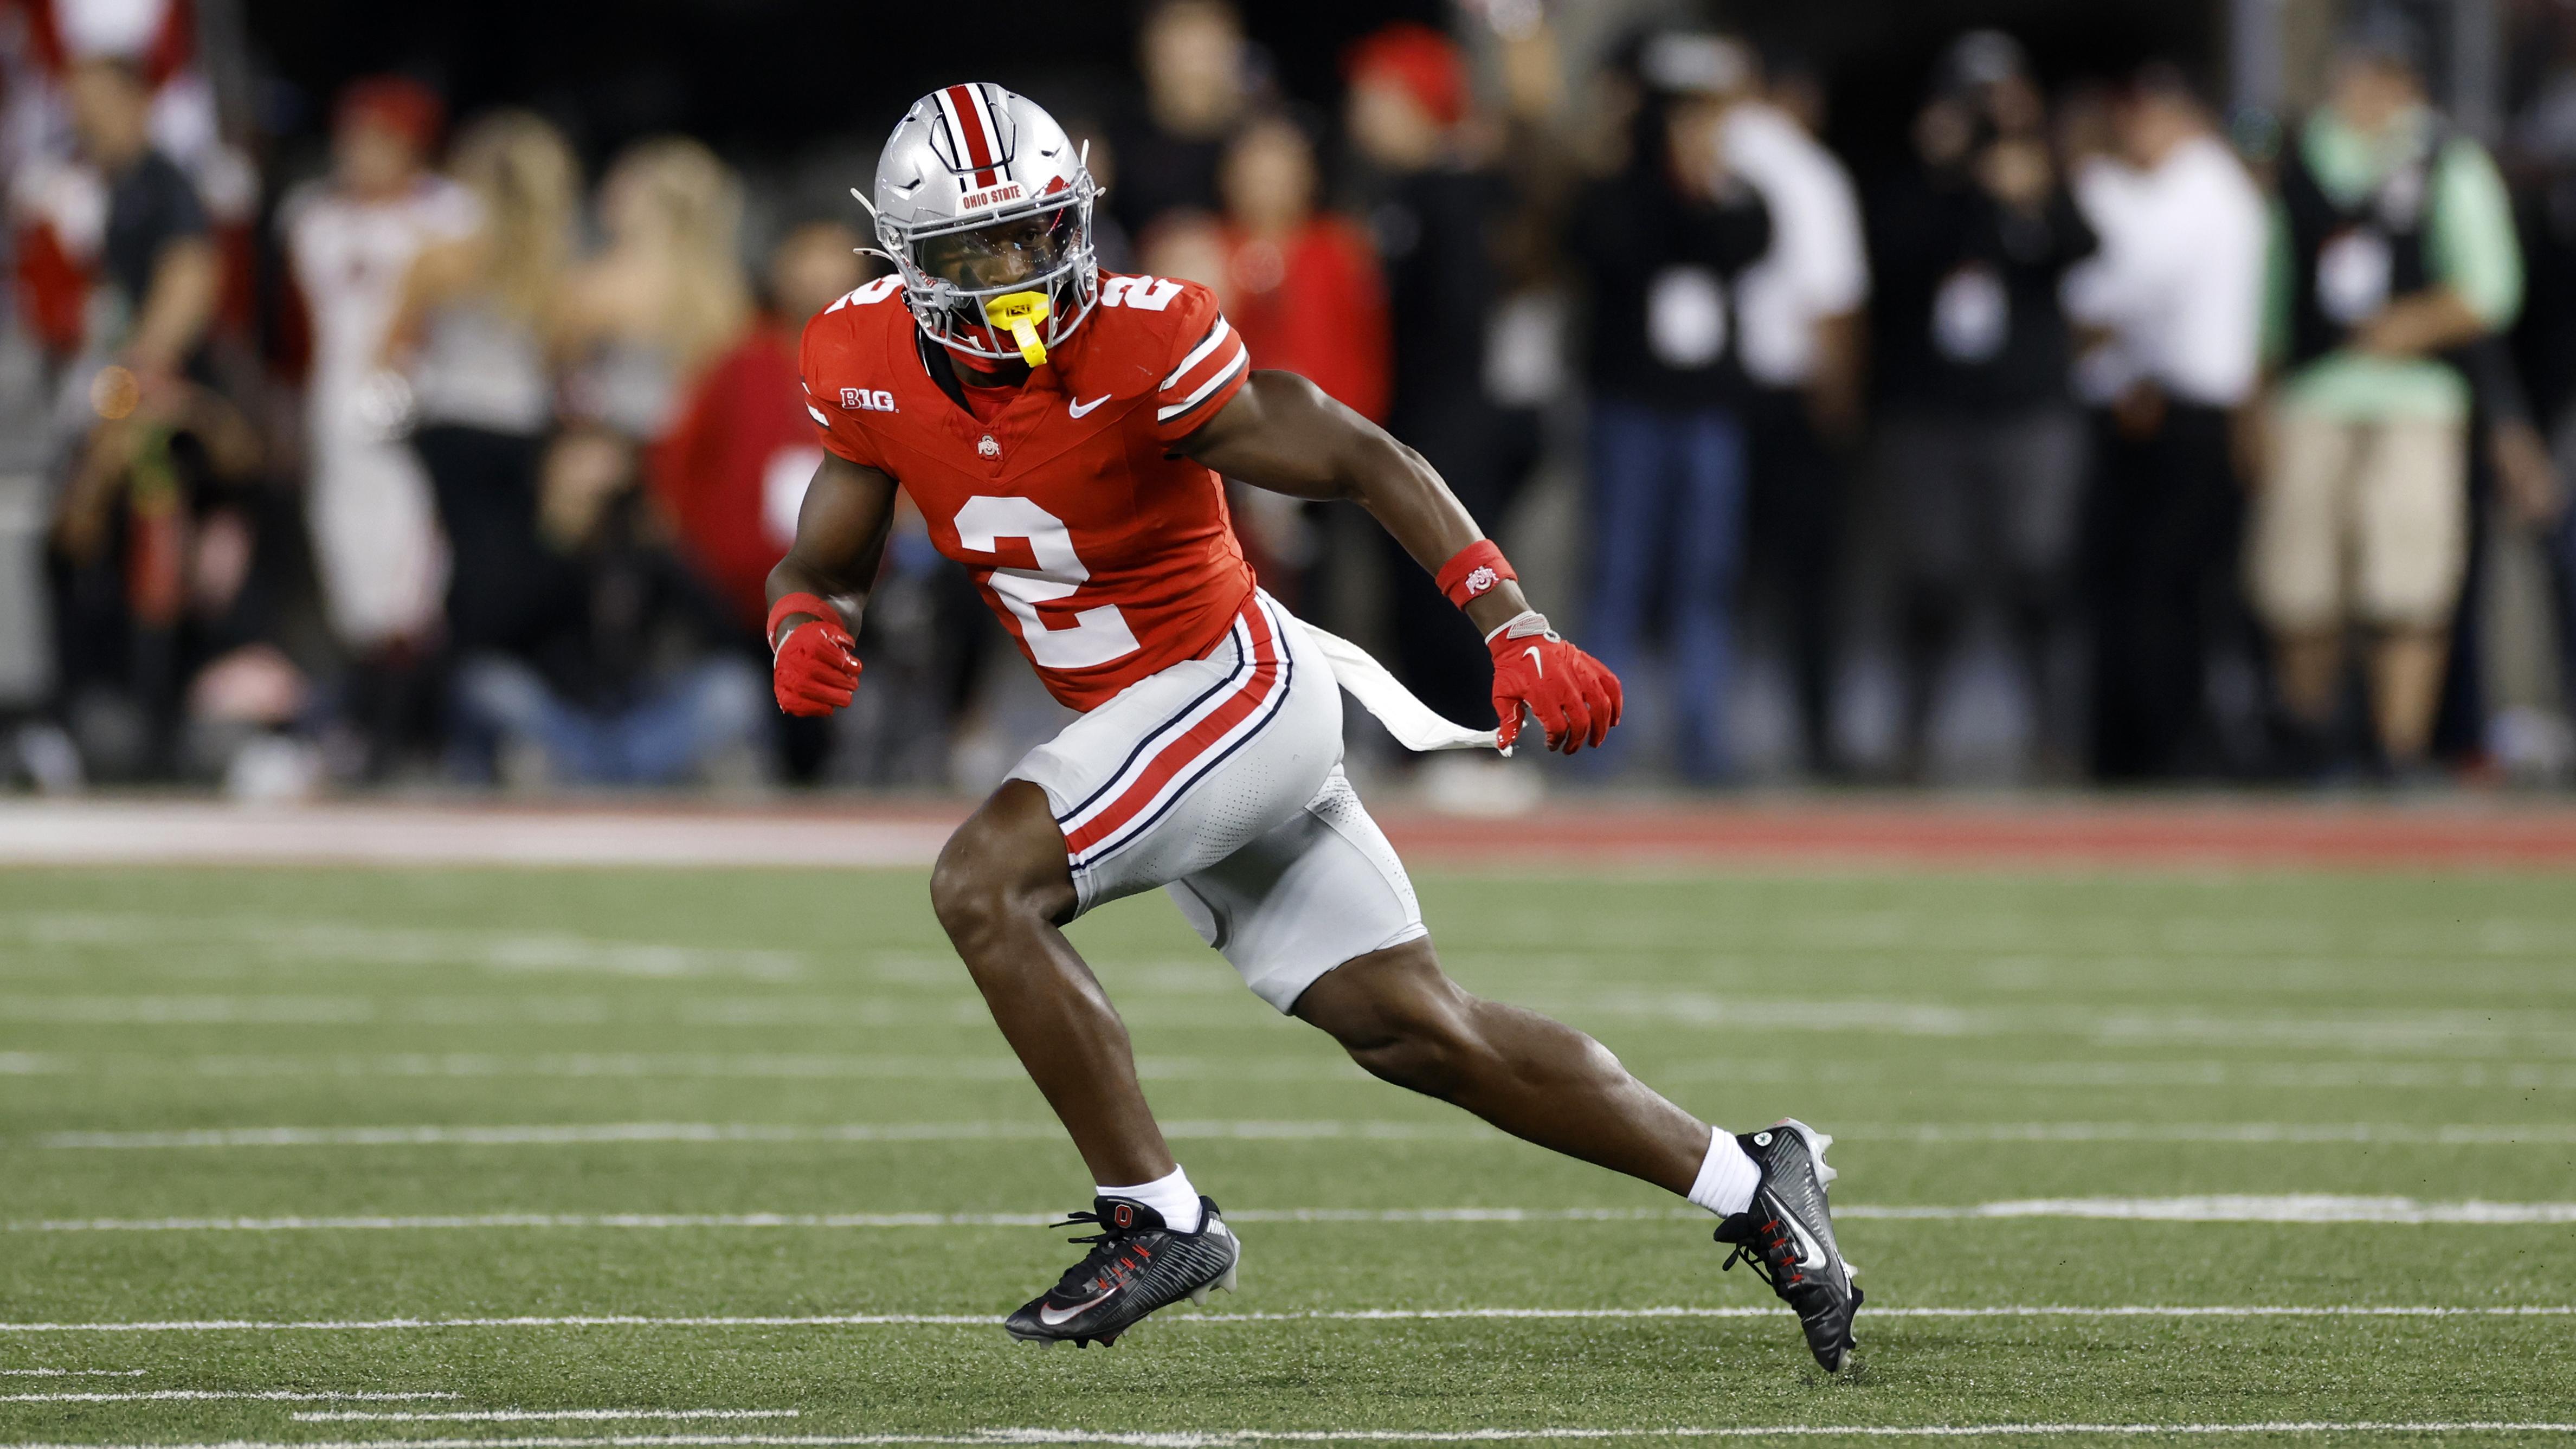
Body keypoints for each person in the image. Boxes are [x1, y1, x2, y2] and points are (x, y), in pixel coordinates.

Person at [768, 83, 1858, 1367]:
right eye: (978, 250)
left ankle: (1155, 1213)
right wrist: (802, 619)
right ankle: (1751, 1176)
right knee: (1411, 1025)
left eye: (1035, 235)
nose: (1015, 275)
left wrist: (1510, 622)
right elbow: (825, 558)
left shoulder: (1141, 337)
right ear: (909, 262)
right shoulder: (862, 361)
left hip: (1230, 687)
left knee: (981, 884)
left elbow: (1357, 453)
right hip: (1148, 729)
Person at [2253, 10, 2522, 776]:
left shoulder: (2446, 159)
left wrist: (2411, 325)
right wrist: (2260, 393)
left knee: (2405, 585)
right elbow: (2273, 293)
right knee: (2300, 584)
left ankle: (2397, 747)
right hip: (2313, 396)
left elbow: (2491, 289)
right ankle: (2312, 746)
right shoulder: (2307, 157)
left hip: (2414, 400)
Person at [1870, 31, 2097, 778]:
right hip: (1931, 410)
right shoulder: (1917, 186)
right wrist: (1946, 172)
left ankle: (2055, 739)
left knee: (2040, 572)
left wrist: (2029, 187)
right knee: (1932, 576)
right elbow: (1895, 259)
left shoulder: (2032, 175)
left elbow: (2081, 246)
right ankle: (1914, 737)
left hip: (2026, 406)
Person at [1567, 33, 1773, 782]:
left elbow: (1747, 240)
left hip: (1706, 409)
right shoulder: (1618, 190)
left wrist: (1703, 186)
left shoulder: (1735, 191)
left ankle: (1704, 741)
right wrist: (1662, 180)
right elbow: (1609, 245)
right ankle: (1597, 742)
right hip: (1630, 407)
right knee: (1619, 571)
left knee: (1707, 576)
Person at [1343, 21, 1545, 762]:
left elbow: (1456, 324)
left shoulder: (1446, 193)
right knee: (1416, 590)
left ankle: (1471, 735)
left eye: (1376, 96)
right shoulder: (1412, 190)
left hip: (1449, 422)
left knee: (1452, 586)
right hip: (1425, 418)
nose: (1360, 112)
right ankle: (1433, 738)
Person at [2063, 65, 2266, 779]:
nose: (2132, 134)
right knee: (2143, 590)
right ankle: (2141, 747)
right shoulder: (2175, 189)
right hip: (2159, 406)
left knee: (2162, 592)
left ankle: (2165, 750)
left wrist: (2089, 180)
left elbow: (2125, 280)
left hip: (2187, 414)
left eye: (2145, 118)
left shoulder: (2201, 183)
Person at [281, 77, 473, 772]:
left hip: (415, 411)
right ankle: (367, 727)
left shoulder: (451, 216)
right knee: (350, 575)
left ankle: (411, 735)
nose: (359, 152)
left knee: (413, 577)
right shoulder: (313, 217)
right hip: (335, 413)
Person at [381, 110, 576, 666]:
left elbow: (395, 346)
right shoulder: (554, 270)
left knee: (449, 561)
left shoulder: (440, 258)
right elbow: (558, 360)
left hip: (452, 425)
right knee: (512, 558)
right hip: (520, 428)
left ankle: (460, 670)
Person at [1721, 47, 1869, 777]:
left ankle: (1711, 742)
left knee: (1718, 576)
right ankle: (1815, 737)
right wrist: (1838, 407)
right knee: (1806, 581)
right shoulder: (1808, 170)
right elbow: (1832, 302)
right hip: (1788, 394)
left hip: (1714, 393)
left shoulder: (1709, 149)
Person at [1109, 0, 1253, 238]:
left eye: (1207, 50)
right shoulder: (1112, 151)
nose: (1195, 66)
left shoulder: (1260, 148)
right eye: (1181, 48)